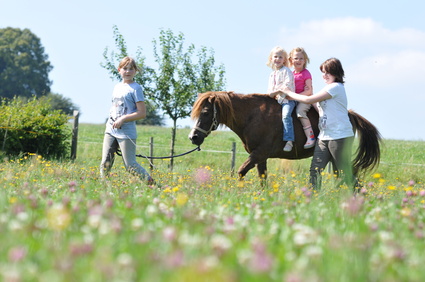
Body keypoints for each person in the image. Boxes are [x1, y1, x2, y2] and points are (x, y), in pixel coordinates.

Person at [281, 58, 357, 190]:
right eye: (323, 72)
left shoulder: (336, 87)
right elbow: (316, 105)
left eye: (329, 72)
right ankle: (312, 198)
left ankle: (362, 195)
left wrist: (289, 93)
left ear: (337, 73)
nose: (325, 75)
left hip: (339, 136)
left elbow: (309, 99)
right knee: (315, 170)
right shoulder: (327, 88)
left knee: (344, 172)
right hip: (324, 136)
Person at [100, 56, 154, 185]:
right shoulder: (117, 87)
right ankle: (104, 187)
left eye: (131, 69)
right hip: (111, 130)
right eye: (125, 68)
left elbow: (142, 113)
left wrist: (123, 119)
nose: (128, 71)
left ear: (135, 71)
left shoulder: (136, 88)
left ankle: (152, 184)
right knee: (105, 163)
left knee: (130, 165)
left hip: (126, 133)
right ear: (119, 70)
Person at [266, 46, 296, 152]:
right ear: (271, 58)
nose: (277, 59)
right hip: (276, 100)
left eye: (280, 57)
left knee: (286, 115)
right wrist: (275, 92)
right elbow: (269, 92)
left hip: (288, 99)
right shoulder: (272, 74)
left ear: (284, 60)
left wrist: (277, 92)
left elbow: (286, 86)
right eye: (275, 56)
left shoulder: (286, 71)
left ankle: (289, 141)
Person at [288, 47, 315, 149]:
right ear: (291, 60)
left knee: (300, 112)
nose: (298, 61)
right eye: (296, 58)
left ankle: (310, 136)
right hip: (294, 99)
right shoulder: (291, 74)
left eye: (301, 58)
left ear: (305, 60)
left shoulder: (306, 73)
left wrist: (295, 97)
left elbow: (309, 91)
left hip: (305, 99)